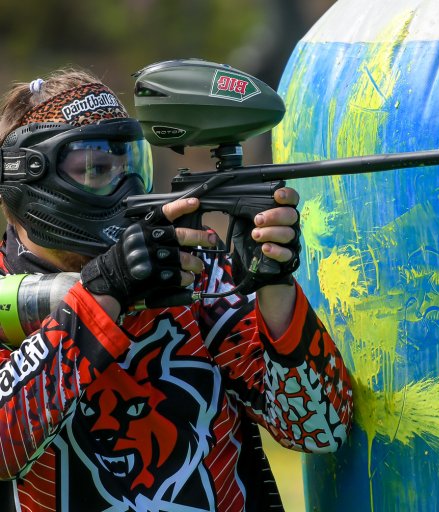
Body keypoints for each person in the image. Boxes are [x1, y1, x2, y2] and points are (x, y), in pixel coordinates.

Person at [0, 67, 353, 512]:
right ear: (31, 177)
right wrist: (104, 291)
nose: (125, 188)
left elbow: (319, 427)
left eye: (129, 165)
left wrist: (273, 285)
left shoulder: (192, 272)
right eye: (95, 168)